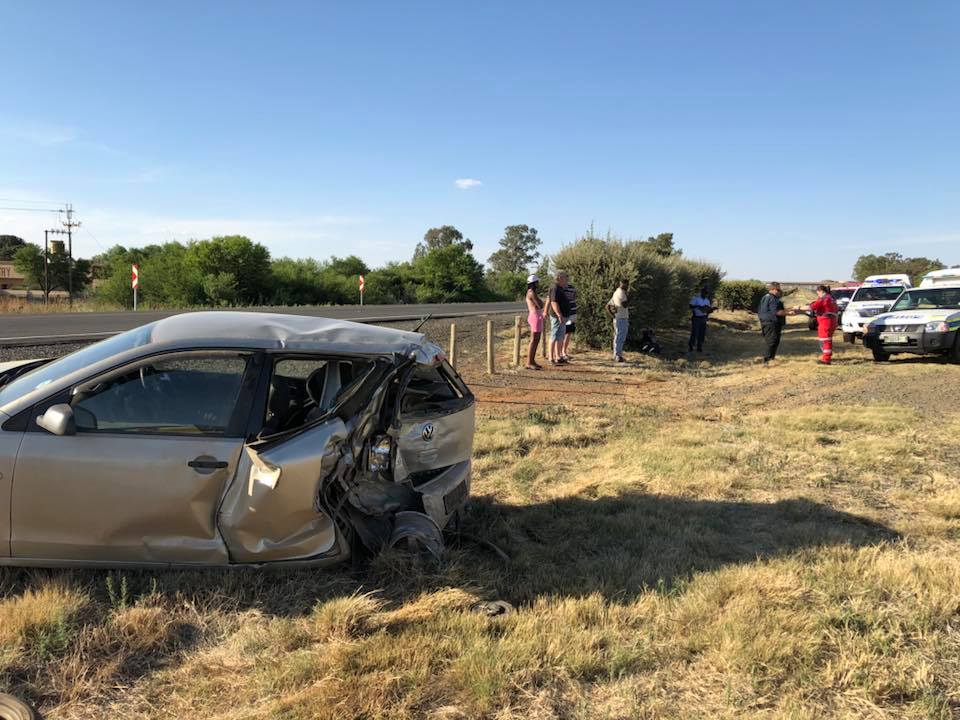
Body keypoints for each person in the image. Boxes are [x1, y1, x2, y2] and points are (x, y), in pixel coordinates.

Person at [757, 281, 792, 363]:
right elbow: (777, 312)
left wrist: (788, 309)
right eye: (778, 290)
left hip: (766, 322)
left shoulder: (765, 297)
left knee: (772, 341)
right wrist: (789, 313)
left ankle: (770, 359)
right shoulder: (773, 299)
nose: (780, 292)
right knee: (772, 341)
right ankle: (767, 360)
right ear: (773, 289)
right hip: (771, 323)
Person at [803, 285, 839, 364]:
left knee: (825, 340)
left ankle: (826, 359)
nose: (818, 295)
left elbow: (812, 307)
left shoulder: (824, 299)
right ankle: (827, 356)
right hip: (831, 321)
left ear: (821, 291)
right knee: (827, 340)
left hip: (826, 322)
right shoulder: (831, 298)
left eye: (818, 293)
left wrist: (799, 308)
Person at [545, 271, 571, 365]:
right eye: (565, 277)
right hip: (557, 316)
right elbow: (553, 302)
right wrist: (559, 315)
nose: (566, 279)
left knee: (560, 336)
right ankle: (551, 358)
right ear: (559, 277)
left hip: (563, 316)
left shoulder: (560, 287)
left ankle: (558, 356)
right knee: (554, 335)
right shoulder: (555, 287)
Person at [606, 279, 630, 363]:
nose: (627, 286)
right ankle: (617, 356)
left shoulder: (616, 292)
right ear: (623, 284)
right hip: (621, 318)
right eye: (626, 284)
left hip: (618, 318)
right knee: (620, 337)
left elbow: (608, 305)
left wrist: (613, 316)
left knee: (618, 337)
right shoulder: (621, 293)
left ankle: (617, 355)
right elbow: (624, 305)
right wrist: (629, 297)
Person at [524, 274, 544, 370]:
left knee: (536, 340)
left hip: (537, 316)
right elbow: (540, 304)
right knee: (534, 340)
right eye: (537, 282)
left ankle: (532, 361)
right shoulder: (531, 293)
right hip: (535, 316)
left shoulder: (532, 292)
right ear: (534, 283)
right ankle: (529, 362)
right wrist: (542, 302)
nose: (538, 284)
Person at [688, 287, 715, 352]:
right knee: (695, 332)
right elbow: (690, 306)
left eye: (706, 293)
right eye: (704, 293)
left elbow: (707, 310)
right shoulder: (696, 298)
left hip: (703, 317)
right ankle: (691, 346)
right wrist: (698, 306)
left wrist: (711, 310)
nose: (705, 294)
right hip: (696, 317)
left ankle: (699, 346)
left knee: (702, 333)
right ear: (701, 292)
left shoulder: (707, 300)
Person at [561, 279, 578, 362]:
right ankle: (559, 352)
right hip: (564, 314)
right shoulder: (560, 289)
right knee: (562, 332)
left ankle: (564, 351)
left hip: (572, 312)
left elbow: (574, 297)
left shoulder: (572, 288)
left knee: (569, 332)